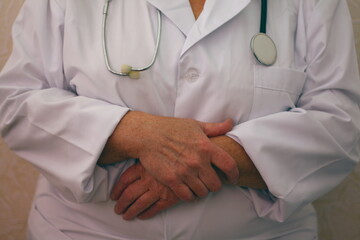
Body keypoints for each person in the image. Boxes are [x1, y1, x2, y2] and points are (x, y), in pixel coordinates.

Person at [0, 0, 359, 239]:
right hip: (86, 232)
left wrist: (209, 159)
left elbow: (341, 120)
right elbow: (15, 101)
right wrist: (134, 133)